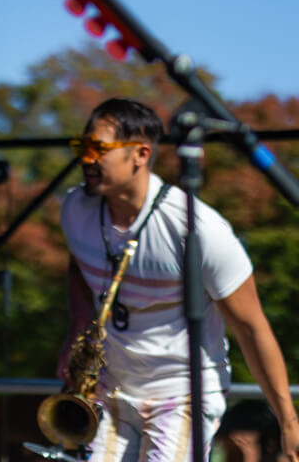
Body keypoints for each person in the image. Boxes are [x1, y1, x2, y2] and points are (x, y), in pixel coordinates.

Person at [57, 98, 299, 461]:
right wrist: (78, 326)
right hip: (113, 392)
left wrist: (289, 421)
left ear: (140, 153)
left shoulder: (198, 230)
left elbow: (252, 328)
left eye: (98, 148)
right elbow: (79, 263)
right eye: (82, 147)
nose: (86, 158)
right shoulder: (76, 210)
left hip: (182, 394)